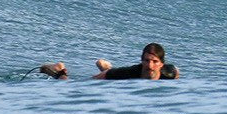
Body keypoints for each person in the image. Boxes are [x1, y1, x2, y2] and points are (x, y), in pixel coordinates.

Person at [38, 43, 179, 80]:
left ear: (161, 63)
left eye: (154, 61)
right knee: (66, 83)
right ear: (141, 61)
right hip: (114, 74)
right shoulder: (130, 72)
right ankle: (59, 69)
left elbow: (176, 73)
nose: (150, 65)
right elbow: (92, 81)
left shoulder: (169, 73)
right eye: (147, 61)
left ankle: (104, 66)